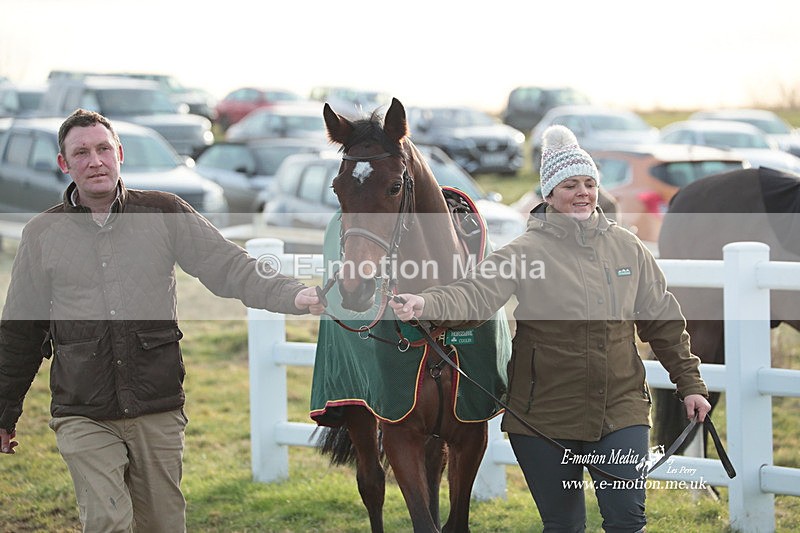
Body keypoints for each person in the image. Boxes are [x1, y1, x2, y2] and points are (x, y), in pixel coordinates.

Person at [0, 108, 324, 532]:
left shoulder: (164, 211)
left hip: (157, 404)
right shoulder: (43, 234)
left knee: (163, 525)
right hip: (82, 410)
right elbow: (20, 332)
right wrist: (4, 413)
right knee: (107, 522)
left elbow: (230, 265)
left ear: (119, 153)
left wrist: (292, 293)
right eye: (81, 153)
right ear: (64, 164)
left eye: (102, 149)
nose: (94, 161)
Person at [389, 125, 711, 532]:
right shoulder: (524, 253)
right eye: (570, 184)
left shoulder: (627, 247)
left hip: (621, 410)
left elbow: (663, 321)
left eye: (589, 183)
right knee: (564, 525)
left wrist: (691, 384)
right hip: (543, 418)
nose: (582, 192)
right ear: (548, 194)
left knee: (628, 520)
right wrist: (426, 303)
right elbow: (474, 295)